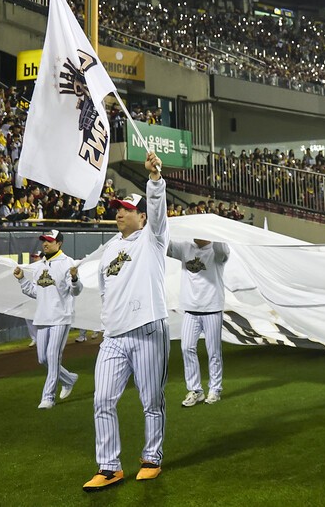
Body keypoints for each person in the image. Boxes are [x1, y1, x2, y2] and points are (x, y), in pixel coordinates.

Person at [84, 150, 169, 492]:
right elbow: (106, 292)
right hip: (115, 337)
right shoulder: (108, 250)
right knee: (102, 400)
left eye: (127, 209)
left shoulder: (153, 240)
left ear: (142, 217)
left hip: (147, 330)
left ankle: (152, 458)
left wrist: (154, 180)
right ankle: (108, 467)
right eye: (118, 209)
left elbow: (160, 214)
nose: (119, 212)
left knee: (152, 401)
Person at [14, 229, 82, 409]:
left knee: (52, 356)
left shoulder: (68, 263)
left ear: (59, 243)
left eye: (49, 241)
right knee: (42, 359)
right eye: (43, 240)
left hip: (61, 316)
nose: (45, 243)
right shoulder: (40, 265)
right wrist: (22, 280)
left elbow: (76, 291)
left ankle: (48, 397)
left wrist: (75, 279)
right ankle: (69, 379)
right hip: (42, 316)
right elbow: (36, 292)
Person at [167, 236, 229, 407]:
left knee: (214, 351)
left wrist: (214, 230)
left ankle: (215, 389)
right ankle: (196, 390)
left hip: (212, 308)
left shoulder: (217, 250)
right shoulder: (185, 247)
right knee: (187, 348)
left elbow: (223, 251)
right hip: (190, 309)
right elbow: (165, 244)